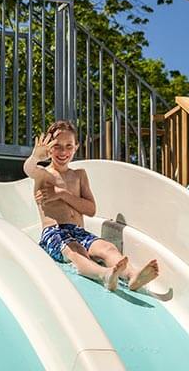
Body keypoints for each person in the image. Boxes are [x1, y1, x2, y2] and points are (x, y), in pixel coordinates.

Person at [24, 120, 159, 291]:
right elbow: (29, 169)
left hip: (79, 231)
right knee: (76, 250)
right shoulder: (44, 175)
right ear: (49, 148)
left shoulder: (79, 175)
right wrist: (36, 157)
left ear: (76, 147)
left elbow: (91, 210)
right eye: (57, 146)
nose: (63, 151)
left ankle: (132, 276)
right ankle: (105, 274)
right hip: (54, 233)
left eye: (69, 146)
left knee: (108, 248)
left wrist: (61, 194)